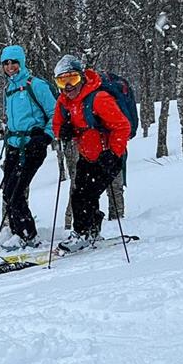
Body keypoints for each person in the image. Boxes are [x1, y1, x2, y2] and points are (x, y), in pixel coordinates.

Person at [51, 55, 132, 252]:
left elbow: (122, 127)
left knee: (85, 195)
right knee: (81, 194)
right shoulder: (64, 102)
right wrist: (64, 131)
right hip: (86, 156)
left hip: (108, 157)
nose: (68, 86)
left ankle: (81, 233)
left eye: (72, 79)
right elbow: (56, 126)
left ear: (81, 77)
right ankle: (91, 231)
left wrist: (113, 154)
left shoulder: (99, 98)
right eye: (62, 81)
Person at [0, 45, 56, 250]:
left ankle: (28, 236)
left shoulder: (36, 85)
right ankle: (18, 233)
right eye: (6, 63)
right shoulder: (8, 89)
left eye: (14, 62)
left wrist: (46, 136)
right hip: (14, 147)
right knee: (8, 193)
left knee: (16, 193)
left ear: (21, 63)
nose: (10, 67)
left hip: (33, 147)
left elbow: (55, 114)